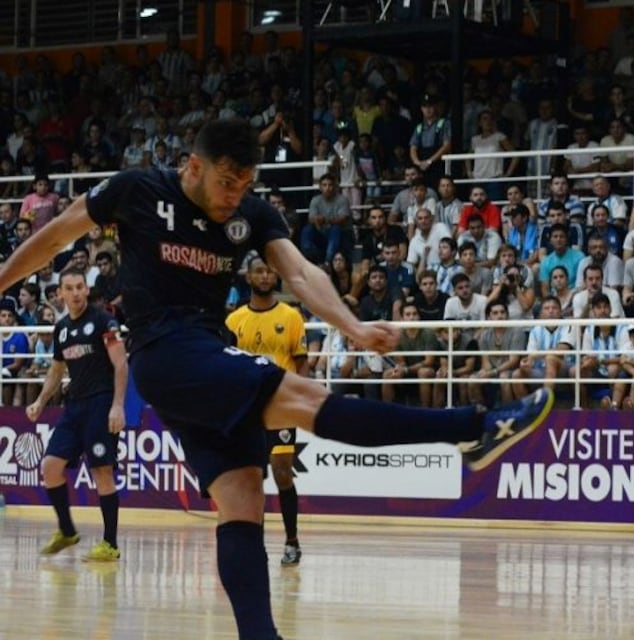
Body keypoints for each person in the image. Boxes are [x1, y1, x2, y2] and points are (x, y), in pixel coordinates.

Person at [0, 119, 554, 640]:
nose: (233, 193)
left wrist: (351, 324)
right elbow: (53, 238)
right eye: (225, 180)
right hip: (166, 352)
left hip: (206, 353)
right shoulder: (137, 190)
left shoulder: (251, 213)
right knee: (309, 398)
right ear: (193, 167)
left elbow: (300, 271)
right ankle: (472, 428)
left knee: (242, 501)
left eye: (244, 182)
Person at [25, 269, 129, 562]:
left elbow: (121, 365)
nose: (75, 293)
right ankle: (67, 531)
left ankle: (110, 544)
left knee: (102, 472)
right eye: (69, 288)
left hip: (101, 403)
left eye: (80, 287)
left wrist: (118, 405)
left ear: (86, 289)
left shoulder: (104, 321)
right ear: (60, 293)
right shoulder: (61, 329)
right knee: (50, 467)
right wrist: (41, 401)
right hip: (74, 407)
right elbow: (57, 370)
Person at [224, 255, 309, 566]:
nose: (264, 276)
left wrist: (299, 398)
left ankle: (291, 541)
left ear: (275, 277)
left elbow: (301, 362)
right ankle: (253, 543)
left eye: (269, 271)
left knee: (282, 470)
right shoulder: (233, 321)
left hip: (281, 404)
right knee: (251, 477)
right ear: (249, 277)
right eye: (259, 271)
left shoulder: (291, 316)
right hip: (247, 408)